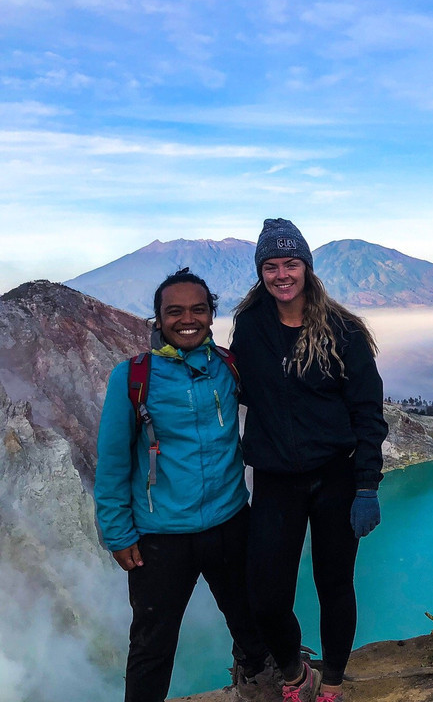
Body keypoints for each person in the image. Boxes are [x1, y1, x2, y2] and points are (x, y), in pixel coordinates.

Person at [95, 269, 275, 702]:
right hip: (161, 538)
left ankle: (258, 688)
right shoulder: (134, 378)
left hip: (230, 522)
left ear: (212, 315)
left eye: (198, 309)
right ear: (158, 318)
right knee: (152, 646)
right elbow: (114, 461)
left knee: (252, 624)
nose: (187, 319)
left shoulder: (227, 367)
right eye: (174, 311)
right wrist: (117, 534)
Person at [232, 219, 388, 702]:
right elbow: (243, 383)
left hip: (335, 476)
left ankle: (333, 683)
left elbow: (367, 412)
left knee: (334, 585)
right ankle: (296, 674)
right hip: (278, 479)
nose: (282, 274)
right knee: (267, 595)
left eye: (291, 263)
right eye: (272, 265)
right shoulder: (252, 327)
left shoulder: (343, 331)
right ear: (261, 272)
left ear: (307, 268)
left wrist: (366, 486)